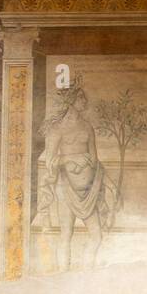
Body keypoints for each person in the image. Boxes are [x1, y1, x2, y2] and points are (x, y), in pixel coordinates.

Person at [35, 80, 118, 271]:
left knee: (96, 235)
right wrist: (69, 161)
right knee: (66, 233)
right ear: (71, 100)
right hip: (66, 188)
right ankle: (64, 275)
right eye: (80, 97)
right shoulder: (57, 129)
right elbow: (49, 161)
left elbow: (95, 161)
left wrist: (106, 183)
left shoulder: (87, 127)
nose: (84, 100)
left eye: (84, 97)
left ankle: (86, 274)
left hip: (87, 191)